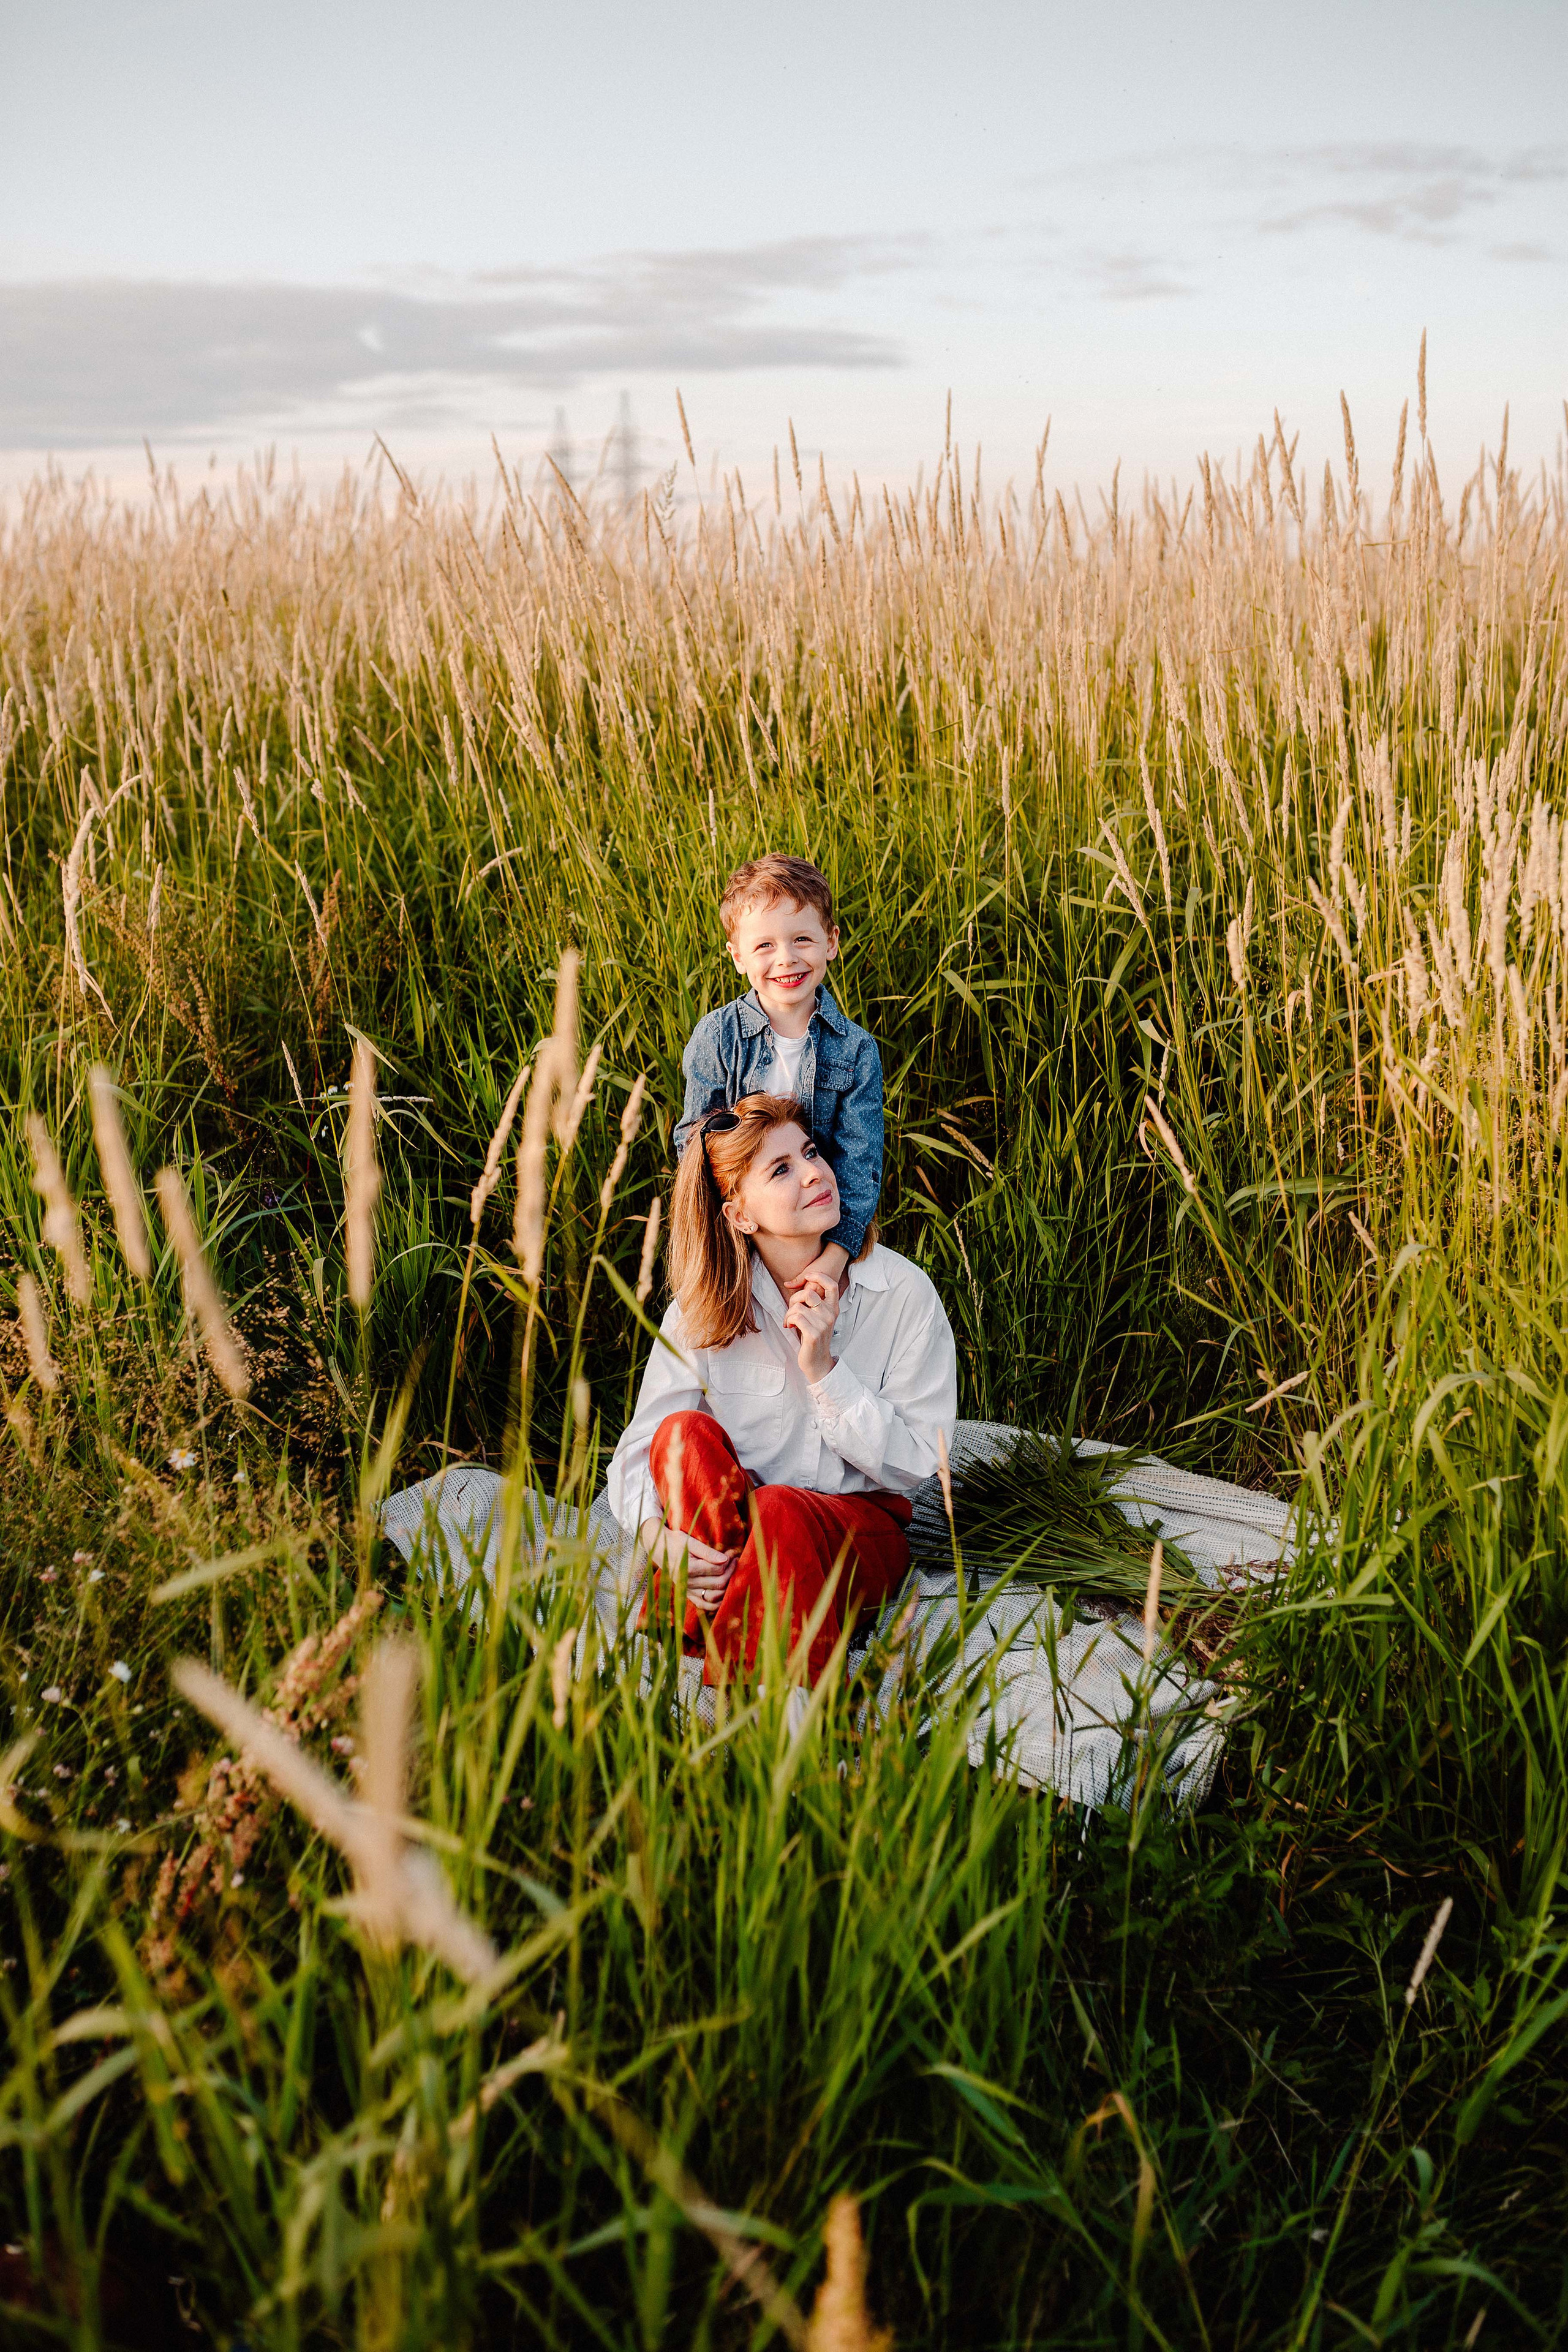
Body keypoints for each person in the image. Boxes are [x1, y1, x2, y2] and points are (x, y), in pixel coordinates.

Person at [607, 1094, 956, 1685]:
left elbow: (919, 1465)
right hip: (739, 1527)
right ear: (741, 1215)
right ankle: (719, 1594)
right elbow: (640, 1454)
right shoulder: (705, 1307)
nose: (816, 1173)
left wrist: (824, 1371)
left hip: (858, 1531)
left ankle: (739, 1678)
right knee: (680, 1434)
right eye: (782, 1169)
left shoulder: (902, 1294)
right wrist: (655, 1540)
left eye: (811, 1152)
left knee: (779, 1510)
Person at [673, 854, 882, 1307]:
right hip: (739, 1233)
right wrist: (733, 1230)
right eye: (764, 945)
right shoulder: (718, 1038)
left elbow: (860, 1164)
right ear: (737, 956)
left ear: (831, 942)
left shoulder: (856, 1050)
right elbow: (694, 1143)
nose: (786, 959)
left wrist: (834, 1257)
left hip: (821, 1234)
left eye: (802, 939)